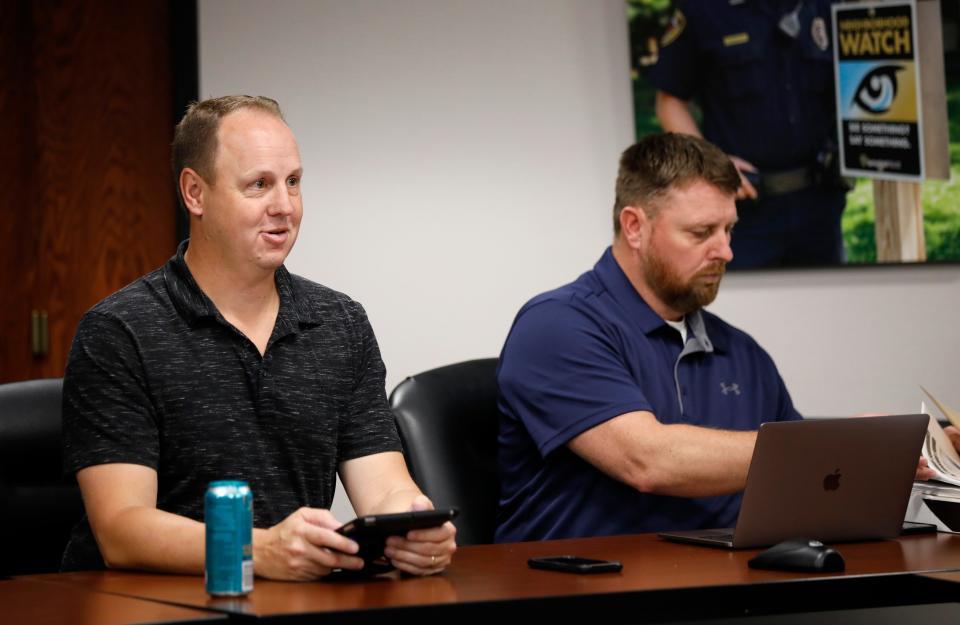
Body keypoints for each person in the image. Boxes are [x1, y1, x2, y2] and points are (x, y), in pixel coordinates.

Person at [60, 95, 456, 579]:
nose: (285, 207)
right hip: (152, 605)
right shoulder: (119, 331)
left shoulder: (340, 323)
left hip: (294, 598)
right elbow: (122, 529)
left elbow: (383, 484)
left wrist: (413, 524)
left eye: (293, 182)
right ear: (195, 194)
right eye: (259, 185)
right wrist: (259, 549)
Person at [496, 133, 803, 543]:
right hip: (586, 595)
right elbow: (647, 461)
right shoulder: (556, 326)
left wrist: (863, 457)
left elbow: (800, 483)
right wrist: (823, 454)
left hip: (734, 590)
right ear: (635, 227)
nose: (725, 251)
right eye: (701, 232)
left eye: (729, 230)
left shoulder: (742, 353)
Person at [646, 0, 851, 268]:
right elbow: (669, 102)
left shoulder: (826, 7)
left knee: (827, 306)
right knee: (744, 310)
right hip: (741, 214)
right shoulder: (703, 10)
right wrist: (709, 162)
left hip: (819, 207)